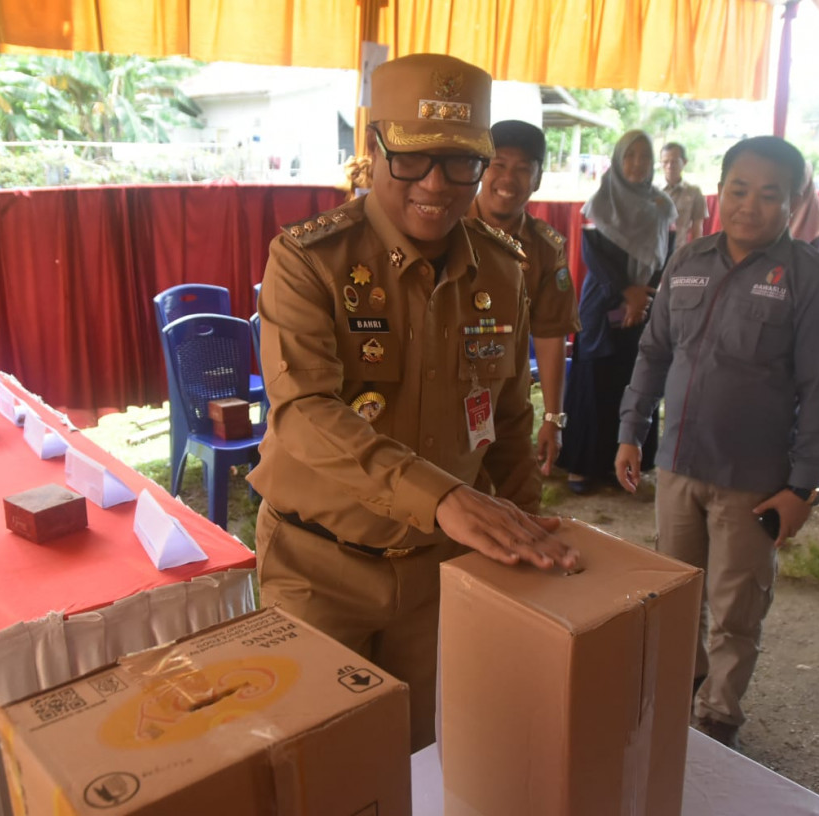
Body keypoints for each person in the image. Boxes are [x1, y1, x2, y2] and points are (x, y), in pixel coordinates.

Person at [247, 53, 579, 752]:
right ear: (374, 150)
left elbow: (510, 412)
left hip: (438, 575)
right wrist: (442, 497)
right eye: (413, 159)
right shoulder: (310, 260)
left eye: (462, 162)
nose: (438, 185)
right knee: (317, 762)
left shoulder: (502, 266)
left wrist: (528, 529)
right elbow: (304, 410)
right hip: (319, 569)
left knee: (424, 754)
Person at [615, 136, 819, 749]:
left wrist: (803, 487)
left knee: (735, 605)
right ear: (720, 190)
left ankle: (718, 717)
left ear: (795, 201)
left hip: (753, 478)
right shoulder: (688, 258)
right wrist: (631, 431)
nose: (750, 206)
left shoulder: (812, 279)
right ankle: (680, 688)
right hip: (678, 465)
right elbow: (655, 352)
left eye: (770, 195)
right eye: (740, 190)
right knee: (673, 591)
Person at [558, 130, 675, 494]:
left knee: (635, 377)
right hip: (603, 302)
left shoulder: (660, 204)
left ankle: (619, 461)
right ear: (618, 159)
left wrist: (645, 294)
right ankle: (581, 465)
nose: (638, 163)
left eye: (645, 156)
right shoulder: (602, 200)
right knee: (595, 379)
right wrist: (627, 293)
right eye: (630, 155)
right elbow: (593, 256)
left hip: (645, 304)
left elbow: (665, 251)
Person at [469, 120, 581, 475]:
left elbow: (550, 334)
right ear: (480, 169)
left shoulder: (547, 249)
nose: (508, 179)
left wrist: (552, 417)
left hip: (507, 403)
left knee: (516, 501)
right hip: (439, 394)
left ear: (538, 179)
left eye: (522, 169)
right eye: (498, 165)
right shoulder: (443, 227)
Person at [661, 142, 709, 253]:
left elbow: (697, 227)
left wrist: (696, 253)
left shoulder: (694, 192)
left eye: (674, 161)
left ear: (684, 162)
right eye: (665, 162)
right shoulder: (652, 191)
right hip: (654, 253)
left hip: (680, 252)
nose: (669, 166)